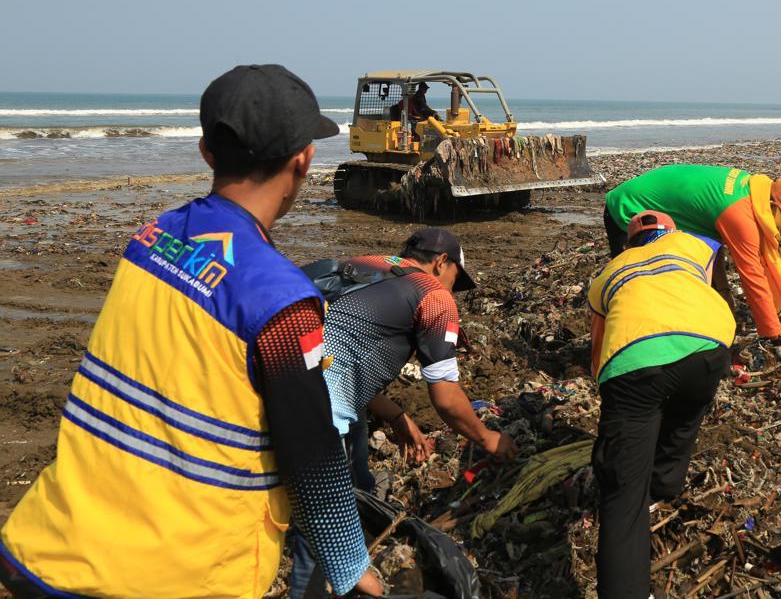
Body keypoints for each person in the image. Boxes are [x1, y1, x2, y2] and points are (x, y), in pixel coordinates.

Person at [0, 65, 382, 597]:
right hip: (175, 574)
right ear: (304, 160)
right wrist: (348, 565)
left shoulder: (151, 238)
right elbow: (312, 450)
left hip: (50, 544)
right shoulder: (282, 301)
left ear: (206, 150)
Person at [288, 227, 519, 593]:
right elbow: (445, 397)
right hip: (320, 417)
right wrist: (488, 438)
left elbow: (343, 359)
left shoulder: (367, 265)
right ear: (442, 262)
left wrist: (397, 416)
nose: (453, 291)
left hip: (285, 389)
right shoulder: (434, 295)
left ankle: (355, 539)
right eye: (455, 279)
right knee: (319, 532)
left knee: (358, 477)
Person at [588, 210, 735, 598]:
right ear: (671, 232)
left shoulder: (608, 273)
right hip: (710, 345)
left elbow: (599, 347)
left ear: (627, 243)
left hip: (635, 361)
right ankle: (665, 485)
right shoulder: (699, 245)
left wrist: (609, 393)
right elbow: (718, 290)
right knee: (687, 409)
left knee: (622, 493)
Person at [603, 165, 781, 373]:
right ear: (773, 205)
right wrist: (779, 340)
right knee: (637, 287)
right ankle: (622, 354)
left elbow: (713, 245)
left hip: (662, 200)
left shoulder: (752, 189)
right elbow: (753, 278)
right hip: (631, 207)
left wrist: (725, 300)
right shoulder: (740, 215)